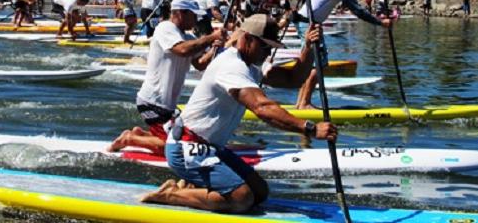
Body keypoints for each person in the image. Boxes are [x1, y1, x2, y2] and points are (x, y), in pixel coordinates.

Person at [141, 15, 335, 213]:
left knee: (260, 193)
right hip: (187, 146)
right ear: (247, 39)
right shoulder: (231, 66)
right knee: (241, 198)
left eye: (271, 48)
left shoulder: (252, 65)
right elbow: (262, 108)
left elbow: (293, 78)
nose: (267, 53)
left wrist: (309, 48)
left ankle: (193, 186)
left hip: (212, 148)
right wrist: (309, 128)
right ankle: (171, 194)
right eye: (265, 47)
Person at [107, 0, 227, 154]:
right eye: (193, 15)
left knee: (185, 139)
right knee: (174, 147)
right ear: (179, 13)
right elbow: (182, 50)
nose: (196, 20)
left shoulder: (188, 37)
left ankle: (140, 135)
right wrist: (211, 37)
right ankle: (129, 139)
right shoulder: (165, 28)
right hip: (152, 101)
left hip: (168, 105)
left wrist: (214, 48)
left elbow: (199, 64)